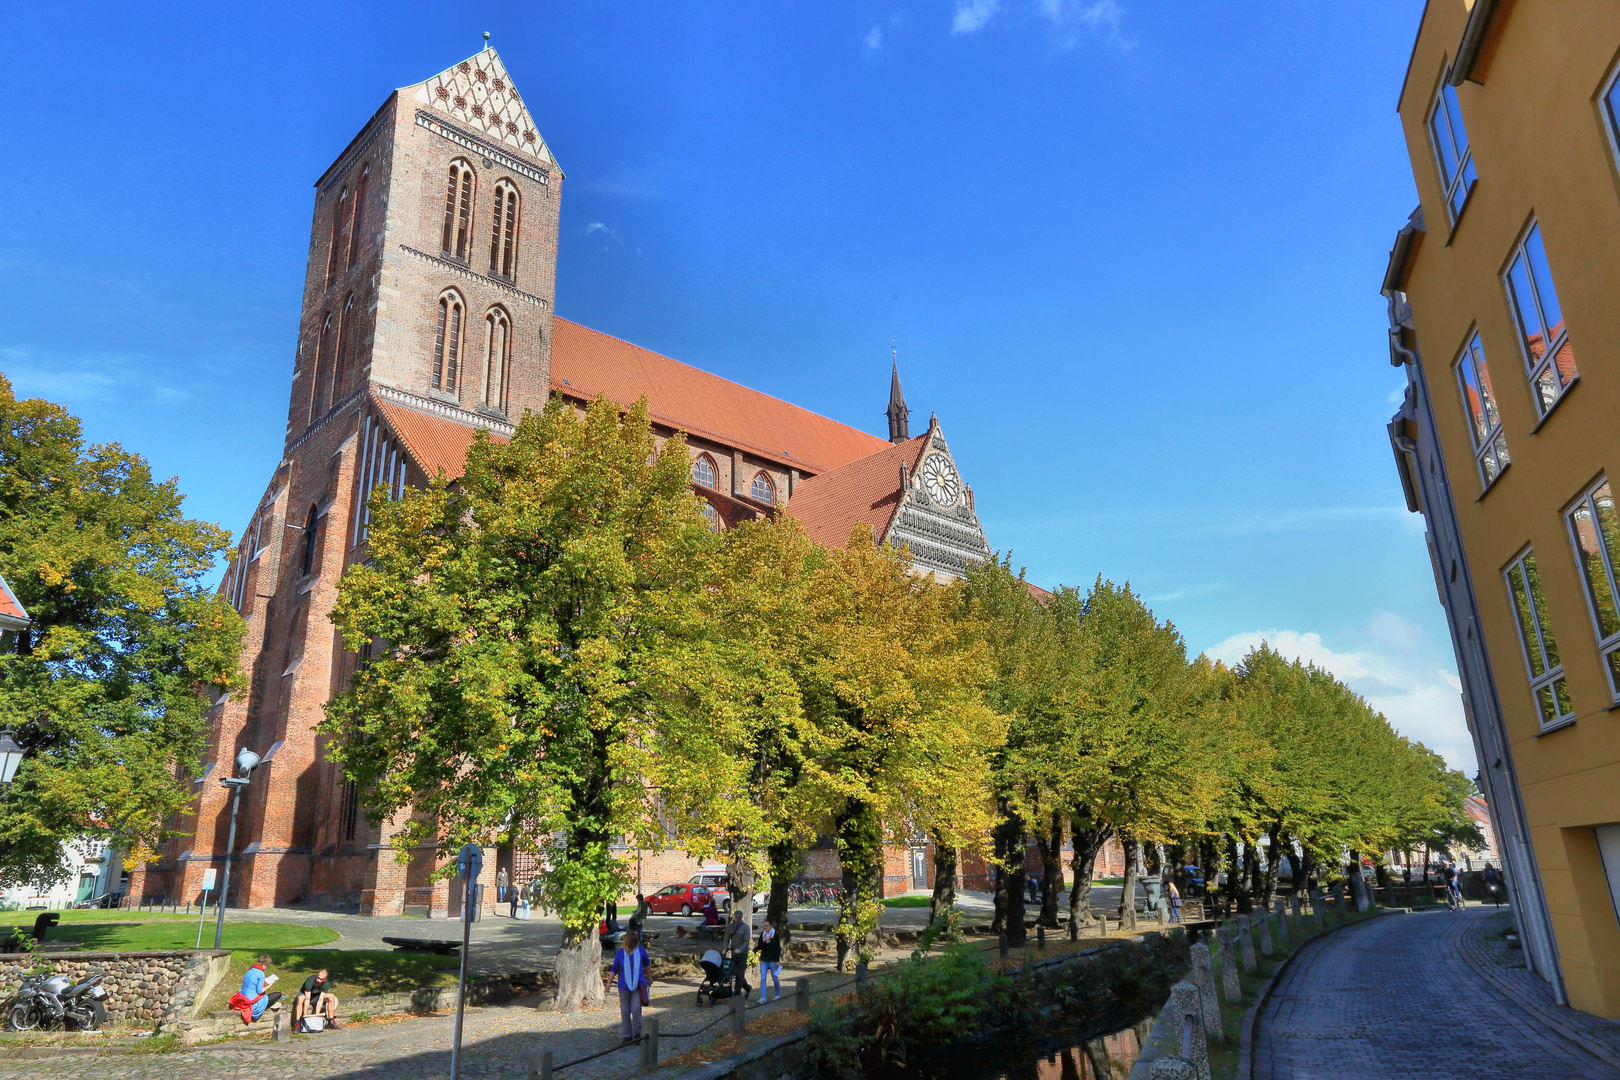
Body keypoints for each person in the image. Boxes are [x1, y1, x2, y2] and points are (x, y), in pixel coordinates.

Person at [608, 929, 649, 1042]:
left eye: (634, 943)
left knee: (636, 1010)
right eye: (630, 943)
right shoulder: (620, 953)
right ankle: (627, 1035)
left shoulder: (640, 950)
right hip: (623, 986)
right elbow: (614, 968)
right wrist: (608, 983)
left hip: (637, 985)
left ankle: (637, 1033)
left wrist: (649, 978)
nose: (632, 945)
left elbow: (647, 964)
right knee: (625, 1011)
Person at [230, 955, 283, 1025]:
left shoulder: (250, 970)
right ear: (264, 965)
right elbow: (259, 991)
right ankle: (266, 1006)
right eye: (267, 966)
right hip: (252, 1002)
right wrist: (270, 985)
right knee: (278, 994)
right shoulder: (260, 973)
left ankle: (271, 1004)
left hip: (242, 997)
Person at [726, 909, 752, 996]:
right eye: (736, 917)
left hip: (742, 954)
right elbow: (726, 938)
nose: (737, 918)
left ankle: (737, 993)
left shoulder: (745, 927)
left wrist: (740, 950)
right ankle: (747, 987)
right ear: (733, 917)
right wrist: (724, 948)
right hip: (734, 953)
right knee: (735, 971)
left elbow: (746, 941)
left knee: (740, 973)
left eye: (739, 917)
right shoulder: (730, 926)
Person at [756, 918, 782, 1004]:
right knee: (763, 978)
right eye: (764, 926)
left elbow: (778, 949)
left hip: (772, 959)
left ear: (771, 926)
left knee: (774, 977)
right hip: (764, 959)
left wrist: (777, 960)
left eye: (767, 926)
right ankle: (763, 997)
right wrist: (765, 943)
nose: (765, 927)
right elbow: (759, 946)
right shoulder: (762, 935)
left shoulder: (775, 935)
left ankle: (777, 994)